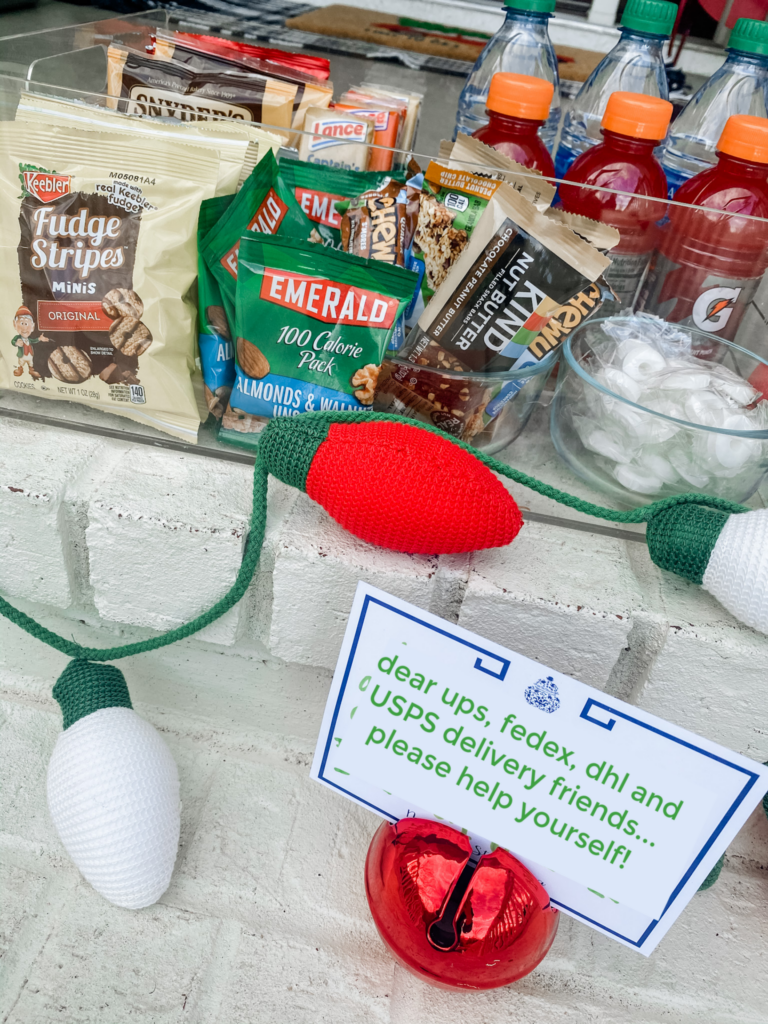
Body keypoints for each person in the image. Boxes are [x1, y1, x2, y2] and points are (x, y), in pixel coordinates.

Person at [11, 305, 46, 379]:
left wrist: (39, 339)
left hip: (30, 355)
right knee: (21, 362)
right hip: (22, 355)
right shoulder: (18, 338)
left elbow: (33, 341)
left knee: (31, 363)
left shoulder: (29, 339)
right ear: (15, 324)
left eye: (26, 324)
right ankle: (20, 369)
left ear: (32, 327)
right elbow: (13, 341)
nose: (24, 327)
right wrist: (16, 343)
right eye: (22, 323)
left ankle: (31, 370)